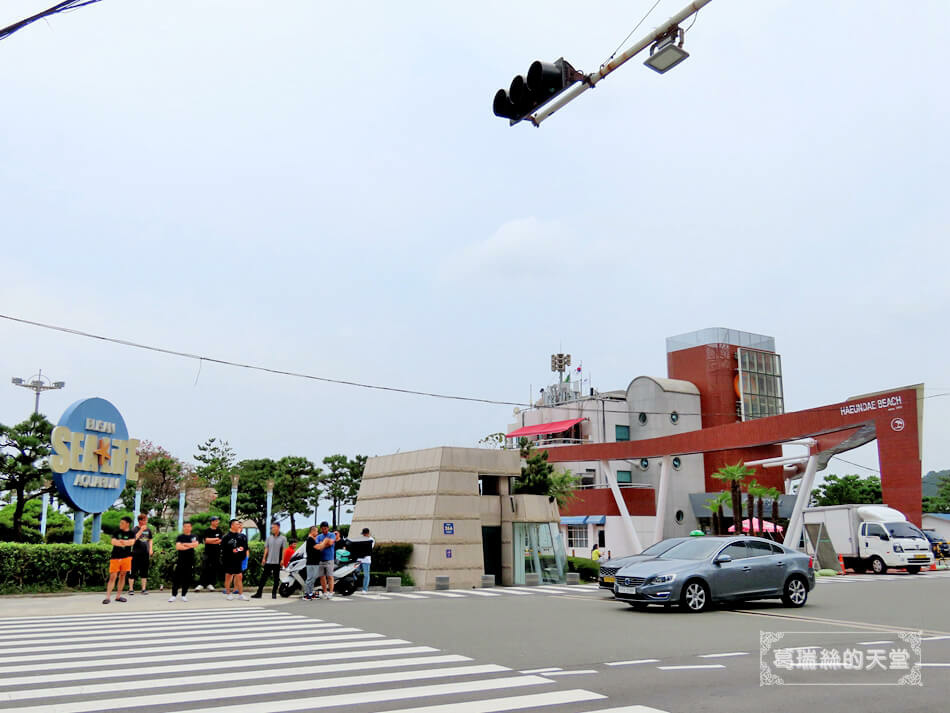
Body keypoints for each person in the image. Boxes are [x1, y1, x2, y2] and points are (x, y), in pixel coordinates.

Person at [103, 516, 136, 604]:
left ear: (127, 524)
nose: (120, 524)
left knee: (123, 575)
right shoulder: (116, 532)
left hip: (127, 557)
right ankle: (108, 597)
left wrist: (122, 542)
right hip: (115, 557)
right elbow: (113, 542)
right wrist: (124, 542)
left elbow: (131, 542)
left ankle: (118, 596)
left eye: (122, 523)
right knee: (113, 576)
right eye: (120, 523)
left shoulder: (131, 533)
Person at [253, 522, 287, 599]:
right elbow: (266, 548)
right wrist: (264, 558)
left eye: (274, 527)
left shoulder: (283, 538)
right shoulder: (269, 538)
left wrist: (282, 560)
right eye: (272, 528)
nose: (272, 529)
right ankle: (259, 593)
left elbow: (283, 550)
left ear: (278, 527)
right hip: (268, 561)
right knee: (263, 578)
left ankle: (274, 593)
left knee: (276, 578)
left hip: (277, 562)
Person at [169, 522, 199, 602]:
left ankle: (184, 595)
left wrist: (185, 544)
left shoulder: (194, 536)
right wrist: (190, 546)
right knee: (177, 578)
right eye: (185, 526)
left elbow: (196, 545)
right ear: (183, 528)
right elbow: (178, 547)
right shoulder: (180, 537)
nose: (187, 528)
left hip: (190, 560)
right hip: (181, 560)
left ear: (191, 528)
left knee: (187, 578)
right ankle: (173, 595)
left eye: (188, 526)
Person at [221, 518, 250, 600]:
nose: (239, 525)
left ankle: (241, 594)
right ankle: (228, 594)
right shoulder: (226, 537)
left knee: (239, 576)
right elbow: (223, 549)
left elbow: (244, 547)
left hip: (238, 560)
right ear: (232, 525)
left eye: (239, 524)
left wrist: (239, 550)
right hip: (228, 560)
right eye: (237, 524)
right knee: (228, 576)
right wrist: (232, 551)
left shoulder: (241, 536)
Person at [128, 513, 153, 595]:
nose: (146, 521)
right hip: (135, 553)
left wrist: (150, 549)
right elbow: (133, 540)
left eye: (146, 520)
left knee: (144, 571)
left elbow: (150, 539)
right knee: (133, 571)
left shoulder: (148, 530)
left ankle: (143, 589)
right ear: (140, 521)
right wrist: (141, 530)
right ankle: (131, 589)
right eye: (145, 520)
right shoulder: (134, 529)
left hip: (145, 553)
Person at [196, 515, 223, 591]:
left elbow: (220, 540)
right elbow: (207, 540)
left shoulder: (219, 531)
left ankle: (210, 584)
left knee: (214, 568)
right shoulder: (207, 531)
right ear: (212, 522)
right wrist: (215, 540)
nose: (218, 522)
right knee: (205, 567)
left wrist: (213, 540)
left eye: (218, 521)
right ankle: (201, 584)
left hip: (216, 553)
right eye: (216, 521)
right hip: (208, 552)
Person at [316, 521, 336, 599]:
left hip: (329, 559)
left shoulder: (332, 534)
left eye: (326, 528)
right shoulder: (319, 536)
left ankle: (331, 592)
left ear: (328, 528)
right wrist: (326, 543)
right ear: (321, 529)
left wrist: (322, 544)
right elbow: (318, 546)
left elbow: (331, 543)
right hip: (321, 559)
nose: (324, 530)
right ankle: (325, 592)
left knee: (330, 576)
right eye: (323, 529)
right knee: (322, 576)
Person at [303, 526, 320, 600]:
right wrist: (324, 543)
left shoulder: (312, 540)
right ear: (312, 531)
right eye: (316, 531)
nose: (317, 533)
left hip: (314, 562)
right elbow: (317, 548)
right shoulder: (310, 540)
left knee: (313, 578)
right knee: (310, 579)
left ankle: (310, 593)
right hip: (311, 562)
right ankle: (307, 594)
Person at [358, 527, 374, 593]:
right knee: (355, 573)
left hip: (366, 560)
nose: (363, 535)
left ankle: (365, 589)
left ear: (368, 534)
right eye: (363, 534)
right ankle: (353, 586)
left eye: (364, 534)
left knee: (366, 575)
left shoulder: (371, 540)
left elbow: (368, 549)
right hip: (359, 559)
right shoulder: (361, 539)